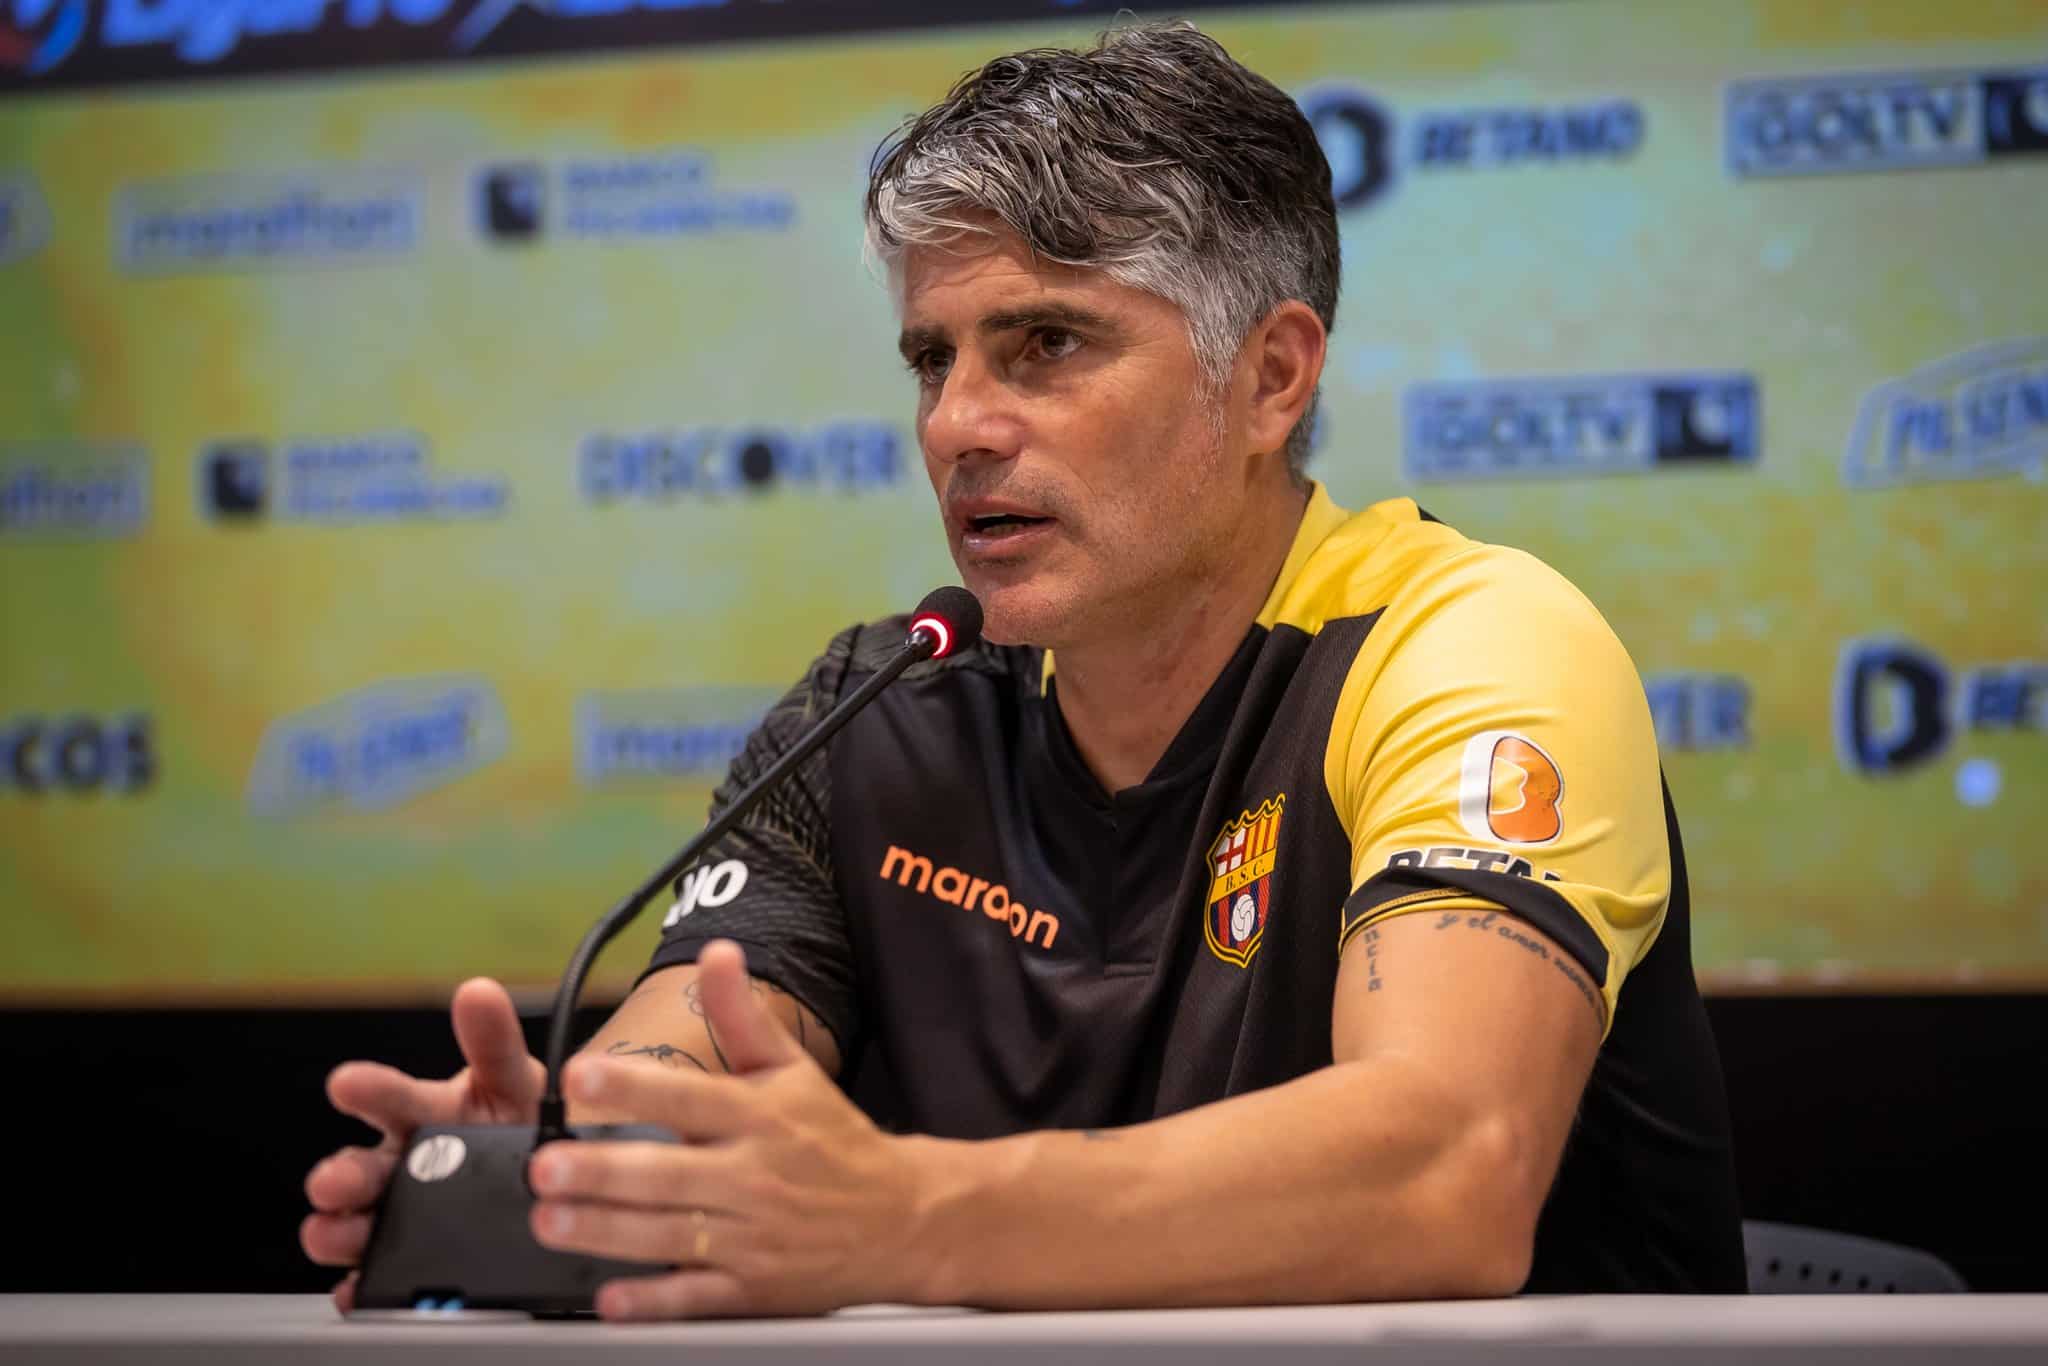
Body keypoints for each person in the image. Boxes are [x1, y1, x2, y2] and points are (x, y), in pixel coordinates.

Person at [302, 21, 1744, 1318]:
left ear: (1271, 378)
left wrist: (903, 1216)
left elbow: (1448, 1168)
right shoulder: (880, 712)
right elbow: (692, 1062)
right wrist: (573, 1171)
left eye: (1045, 344)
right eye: (933, 361)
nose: (957, 426)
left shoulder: (1466, 646)